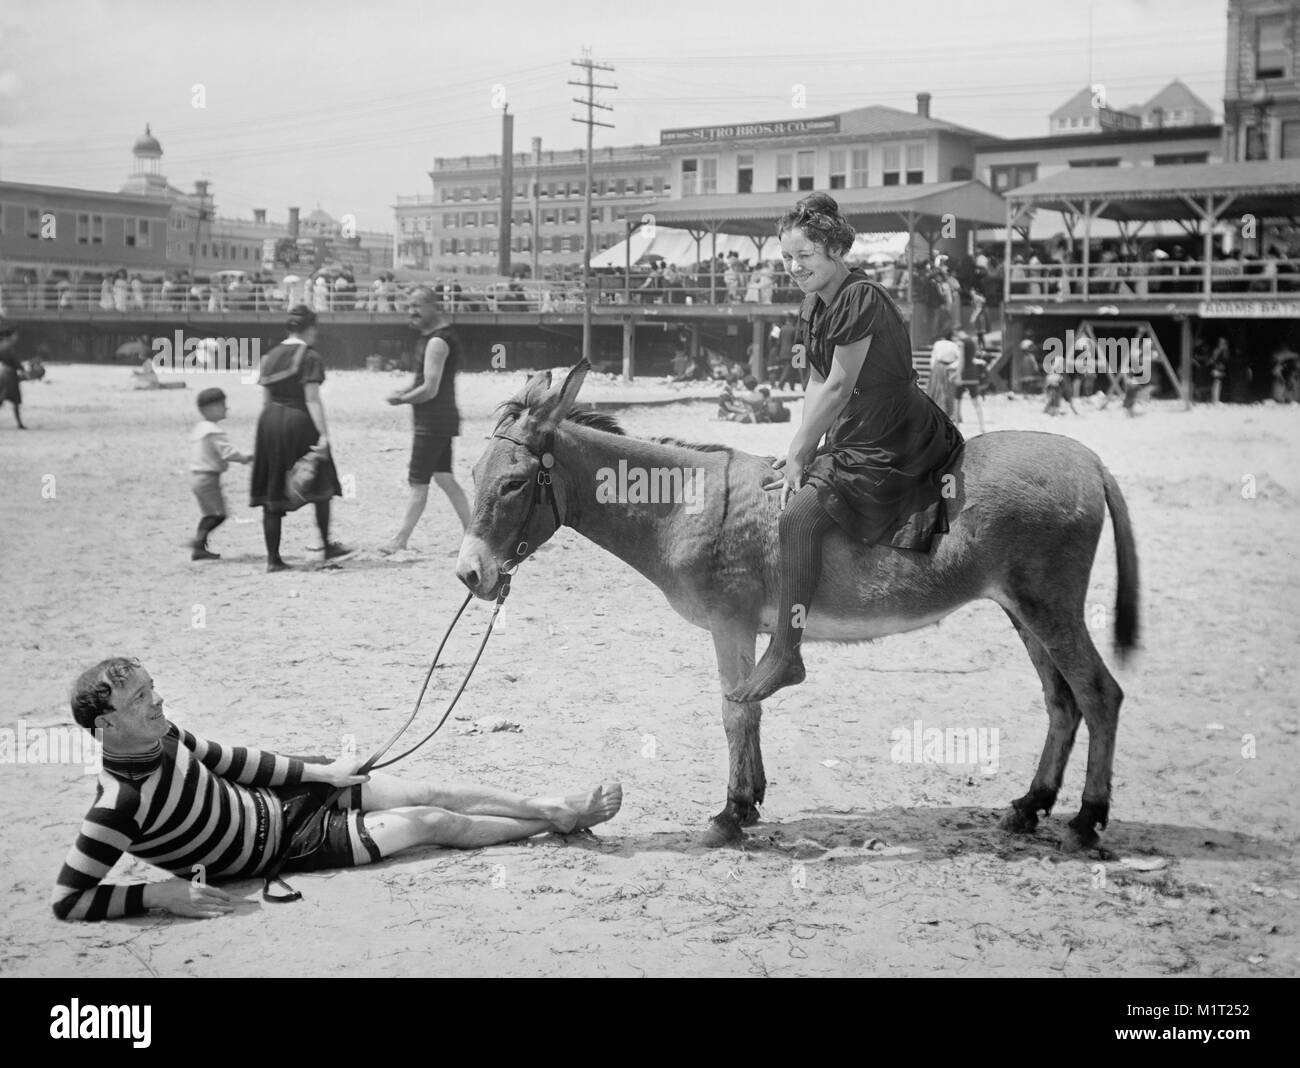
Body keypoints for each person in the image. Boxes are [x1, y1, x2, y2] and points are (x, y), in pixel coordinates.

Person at [53, 658, 623, 922]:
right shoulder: (117, 807)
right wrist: (159, 896)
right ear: (105, 726)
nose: (158, 703)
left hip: (287, 799)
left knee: (433, 787)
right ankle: (556, 822)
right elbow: (68, 901)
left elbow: (238, 762)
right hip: (284, 849)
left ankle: (546, 804)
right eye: (141, 701)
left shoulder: (167, 734)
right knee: (431, 822)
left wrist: (322, 773)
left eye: (153, 689)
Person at [728, 193, 963, 702]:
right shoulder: (814, 304)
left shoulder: (861, 298)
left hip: (893, 432)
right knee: (790, 487)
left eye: (804, 257)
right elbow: (816, 381)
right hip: (853, 428)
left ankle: (787, 652)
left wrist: (799, 453)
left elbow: (839, 385)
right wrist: (803, 445)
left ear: (835, 249)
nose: (793, 268)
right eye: (786, 258)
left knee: (797, 518)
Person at [249, 305, 350, 571]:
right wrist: (324, 435)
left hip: (269, 422)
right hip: (298, 420)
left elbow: (266, 399)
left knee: (273, 488)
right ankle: (326, 545)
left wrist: (268, 433)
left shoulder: (269, 356)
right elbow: (312, 398)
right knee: (321, 481)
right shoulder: (309, 356)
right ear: (311, 328)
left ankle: (274, 559)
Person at [380, 287, 471, 554]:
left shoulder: (437, 341)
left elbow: (430, 389)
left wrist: (402, 399)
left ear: (433, 306)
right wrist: (407, 393)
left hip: (431, 423)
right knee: (445, 479)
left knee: (418, 483)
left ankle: (400, 540)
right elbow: (428, 384)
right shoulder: (440, 337)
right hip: (441, 420)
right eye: (409, 306)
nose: (411, 312)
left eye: (416, 306)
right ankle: (473, 535)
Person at [189, 387, 252, 561]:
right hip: (208, 477)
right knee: (218, 514)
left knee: (209, 514)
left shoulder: (200, 428)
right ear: (210, 408)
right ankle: (198, 544)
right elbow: (228, 453)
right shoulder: (213, 431)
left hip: (197, 477)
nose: (226, 408)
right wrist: (246, 457)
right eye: (222, 405)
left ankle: (199, 546)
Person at [927, 328, 961, 420]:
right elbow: (960, 359)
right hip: (948, 367)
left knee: (935, 390)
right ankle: (948, 412)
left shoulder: (937, 344)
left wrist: (933, 369)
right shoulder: (954, 345)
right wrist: (952, 366)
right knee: (948, 390)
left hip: (937, 367)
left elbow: (933, 357)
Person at [0, 320, 27, 428]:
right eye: (16, 334)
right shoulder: (8, 347)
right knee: (15, 400)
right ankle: (19, 424)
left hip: (3, 372)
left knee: (2, 398)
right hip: (9, 375)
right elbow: (15, 362)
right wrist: (23, 369)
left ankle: (19, 423)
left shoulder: (2, 345)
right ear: (11, 335)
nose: (17, 337)